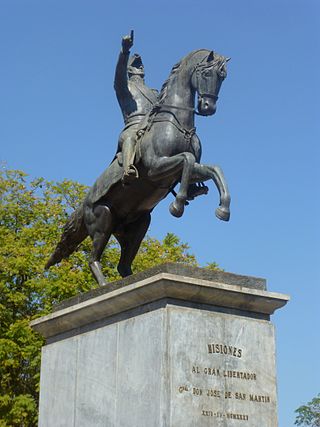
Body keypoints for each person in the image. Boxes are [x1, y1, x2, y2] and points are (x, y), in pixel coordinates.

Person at [114, 30, 158, 184]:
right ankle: (128, 170)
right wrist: (125, 51)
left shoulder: (154, 93)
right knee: (130, 138)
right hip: (133, 127)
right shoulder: (124, 86)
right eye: (135, 65)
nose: (140, 67)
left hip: (151, 127)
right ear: (129, 70)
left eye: (141, 66)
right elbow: (118, 74)